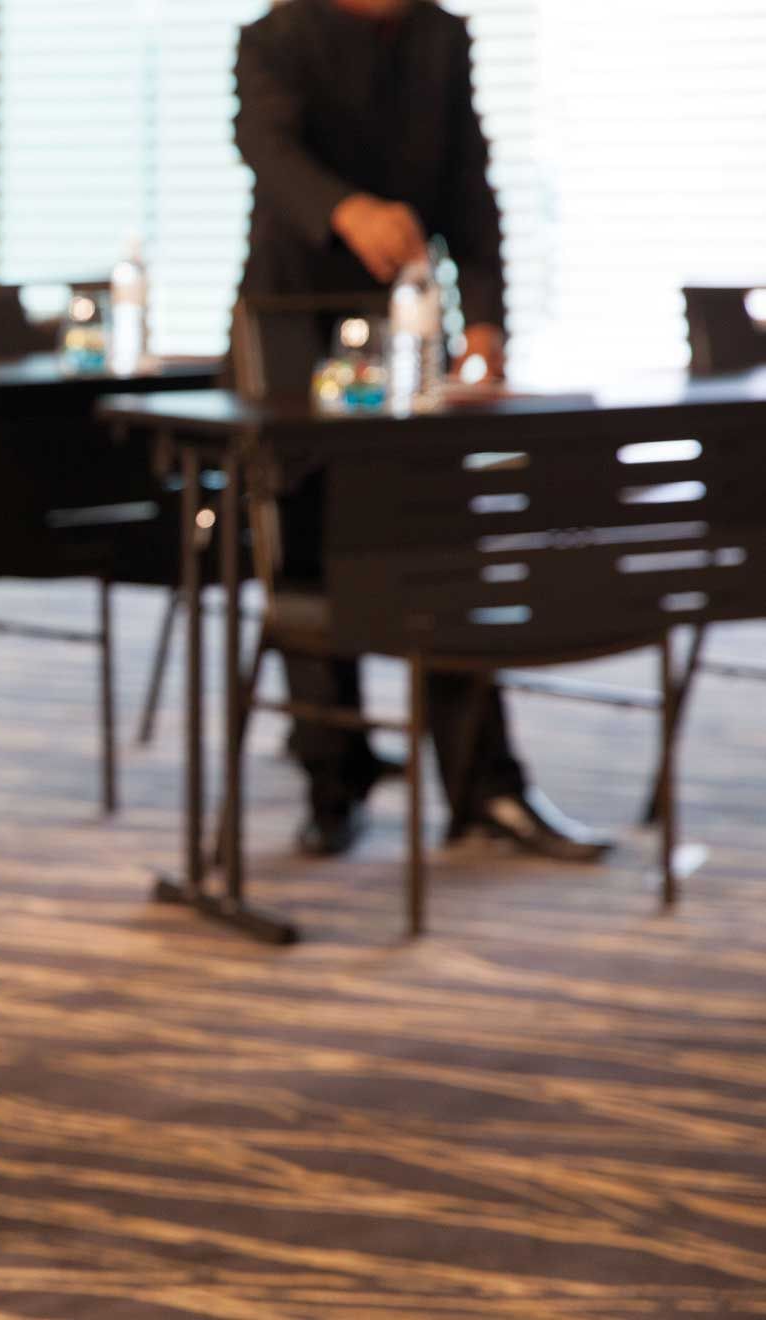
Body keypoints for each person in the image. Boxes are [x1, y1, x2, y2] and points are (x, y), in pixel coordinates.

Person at [232, 0, 611, 862]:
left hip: (406, 329)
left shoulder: (443, 36)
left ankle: (486, 786)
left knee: (447, 544)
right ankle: (335, 776)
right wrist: (347, 209)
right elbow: (266, 150)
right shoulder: (276, 37)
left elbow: (469, 190)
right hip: (292, 327)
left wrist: (485, 323)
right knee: (308, 549)